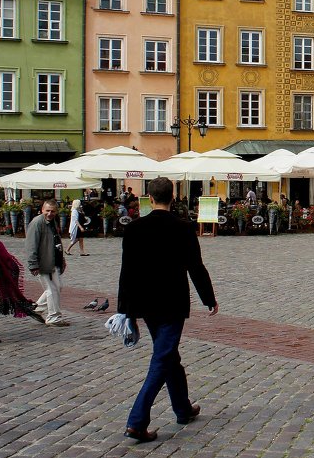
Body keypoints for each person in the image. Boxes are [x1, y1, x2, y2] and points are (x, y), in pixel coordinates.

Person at [118, 176, 216, 442]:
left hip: (146, 304)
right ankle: (137, 421)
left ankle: (182, 408)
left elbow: (127, 273)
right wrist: (209, 298)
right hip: (173, 303)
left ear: (149, 198)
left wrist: (126, 310)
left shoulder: (134, 229)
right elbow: (196, 266)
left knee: (168, 355)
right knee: (162, 358)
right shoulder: (183, 228)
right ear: (173, 198)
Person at [26, 199, 68, 327]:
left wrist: (62, 259)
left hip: (53, 261)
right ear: (42, 210)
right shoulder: (37, 222)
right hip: (43, 262)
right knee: (51, 290)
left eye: (53, 211)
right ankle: (53, 317)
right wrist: (33, 264)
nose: (50, 213)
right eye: (47, 211)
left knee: (58, 287)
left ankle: (36, 309)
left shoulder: (52, 222)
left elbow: (56, 241)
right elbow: (31, 245)